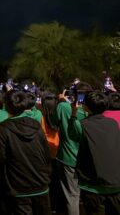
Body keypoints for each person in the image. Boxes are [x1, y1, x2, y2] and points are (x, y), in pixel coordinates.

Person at [0, 90, 52, 214]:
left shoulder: (2, 129)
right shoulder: (36, 125)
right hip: (41, 183)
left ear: (6, 105)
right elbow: (46, 152)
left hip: (17, 188)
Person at [72, 91, 120, 214]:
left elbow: (72, 135)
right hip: (114, 183)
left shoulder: (81, 125)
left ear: (85, 107)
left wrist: (73, 114)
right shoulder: (113, 124)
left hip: (91, 185)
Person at [54, 81, 91, 215]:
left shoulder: (63, 107)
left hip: (68, 157)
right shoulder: (92, 110)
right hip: (88, 159)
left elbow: (54, 122)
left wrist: (62, 101)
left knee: (72, 196)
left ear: (74, 94)